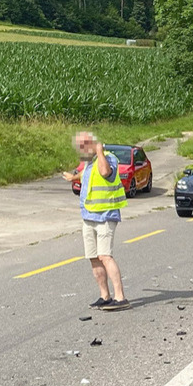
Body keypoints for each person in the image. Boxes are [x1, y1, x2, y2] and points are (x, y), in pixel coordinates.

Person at [61, 132, 130, 311]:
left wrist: (100, 151)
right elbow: (85, 174)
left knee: (105, 256)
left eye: (85, 145)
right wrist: (72, 177)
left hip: (105, 217)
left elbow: (105, 172)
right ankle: (104, 296)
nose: (81, 149)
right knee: (94, 258)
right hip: (89, 217)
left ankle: (120, 297)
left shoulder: (108, 159)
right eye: (79, 146)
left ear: (94, 144)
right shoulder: (89, 165)